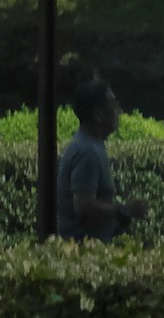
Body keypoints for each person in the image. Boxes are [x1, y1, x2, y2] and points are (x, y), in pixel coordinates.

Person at [56, 79, 145, 240]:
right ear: (97, 114)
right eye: (113, 104)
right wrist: (123, 210)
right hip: (82, 253)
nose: (119, 111)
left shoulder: (92, 146)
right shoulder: (86, 152)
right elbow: (83, 206)